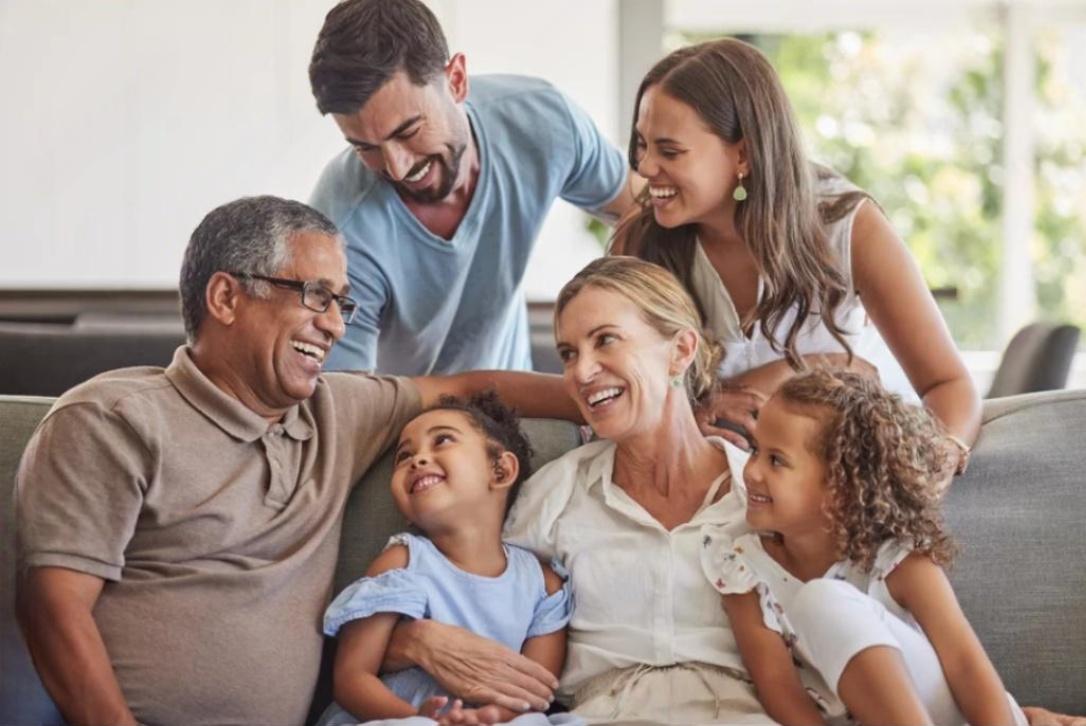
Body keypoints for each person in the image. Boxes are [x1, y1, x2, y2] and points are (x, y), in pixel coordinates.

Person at [13, 196, 578, 726]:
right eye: (315, 295)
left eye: (341, 302)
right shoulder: (112, 419)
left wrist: (624, 404)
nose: (335, 324)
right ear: (226, 298)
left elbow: (471, 386)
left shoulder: (338, 410)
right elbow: (52, 608)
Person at [379, 256, 775, 724]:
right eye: (568, 354)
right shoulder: (556, 495)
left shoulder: (765, 495)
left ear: (680, 350)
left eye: (605, 340)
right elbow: (476, 603)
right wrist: (411, 641)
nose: (581, 373)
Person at [611, 38, 980, 465]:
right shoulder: (640, 242)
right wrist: (701, 407)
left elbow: (949, 384)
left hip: (841, 476)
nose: (643, 168)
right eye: (642, 144)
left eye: (669, 151)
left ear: (743, 154)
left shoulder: (846, 227)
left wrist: (941, 460)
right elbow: (617, 393)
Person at [307, 0, 641, 376]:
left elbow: (642, 213)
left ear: (456, 81)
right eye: (365, 147)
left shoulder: (543, 123)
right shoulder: (341, 231)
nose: (397, 168)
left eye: (409, 131)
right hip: (401, 425)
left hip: (515, 411)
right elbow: (349, 405)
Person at [702, 369, 1026, 725]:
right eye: (756, 451)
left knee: (822, 599)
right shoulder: (743, 568)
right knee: (819, 601)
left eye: (776, 460)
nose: (751, 472)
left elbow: (966, 665)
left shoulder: (897, 557)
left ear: (840, 488)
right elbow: (780, 691)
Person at [316, 392, 572, 726]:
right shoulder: (403, 563)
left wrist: (484, 719)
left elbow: (533, 691)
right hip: (400, 716)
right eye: (404, 455)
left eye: (443, 440)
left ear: (500, 470)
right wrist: (420, 719)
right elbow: (352, 680)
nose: (417, 460)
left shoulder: (543, 584)